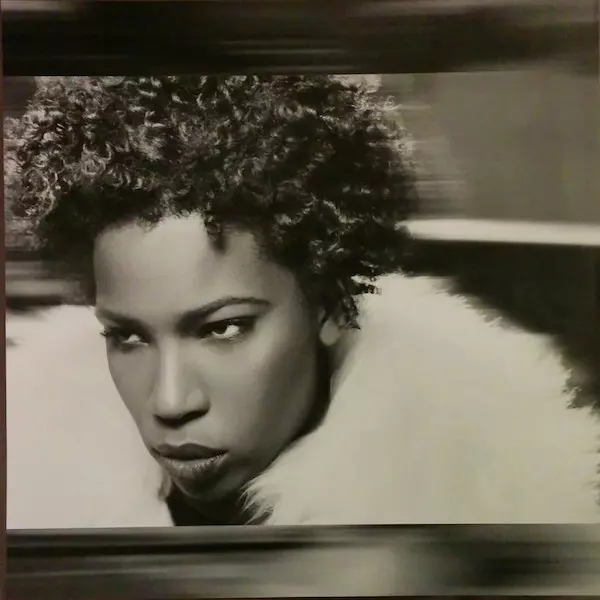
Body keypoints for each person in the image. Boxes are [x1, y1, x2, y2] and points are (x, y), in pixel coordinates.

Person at [6, 75, 599, 529]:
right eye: (128, 336)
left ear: (331, 305)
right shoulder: (38, 491)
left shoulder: (502, 509)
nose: (170, 402)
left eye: (223, 328)